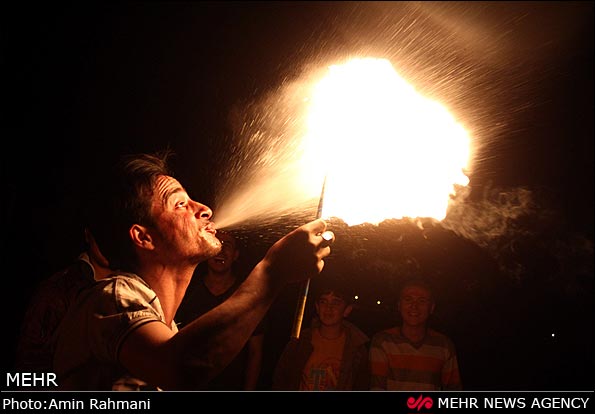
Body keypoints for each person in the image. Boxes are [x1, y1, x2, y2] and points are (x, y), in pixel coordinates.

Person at [52, 150, 334, 390]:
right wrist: (273, 272)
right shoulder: (110, 297)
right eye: (180, 204)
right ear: (144, 237)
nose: (205, 210)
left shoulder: (167, 328)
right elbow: (177, 367)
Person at [14, 227, 113, 375]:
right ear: (88, 235)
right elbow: (28, 367)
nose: (109, 242)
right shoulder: (58, 289)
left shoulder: (134, 284)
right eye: (103, 234)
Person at [175, 230, 266, 390]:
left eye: (227, 245)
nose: (221, 250)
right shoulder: (187, 291)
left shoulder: (247, 295)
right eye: (217, 243)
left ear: (236, 255)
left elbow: (255, 351)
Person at [272, 277, 370, 390]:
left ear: (347, 310)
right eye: (323, 302)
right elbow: (281, 379)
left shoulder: (356, 349)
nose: (328, 308)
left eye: (336, 302)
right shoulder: (300, 341)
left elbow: (361, 385)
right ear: (317, 307)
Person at [369, 277, 462, 390]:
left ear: (431, 308)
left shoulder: (444, 345)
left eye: (422, 301)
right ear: (399, 305)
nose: (414, 306)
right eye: (408, 299)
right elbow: (377, 387)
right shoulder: (383, 342)